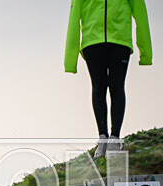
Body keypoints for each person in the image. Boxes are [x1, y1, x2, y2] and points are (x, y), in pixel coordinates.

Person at [65, 0, 152, 157]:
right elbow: (74, 16)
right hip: (92, 41)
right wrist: (70, 60)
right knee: (98, 87)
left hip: (120, 40)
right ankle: (103, 137)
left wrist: (146, 52)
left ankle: (114, 137)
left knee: (117, 86)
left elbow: (140, 12)